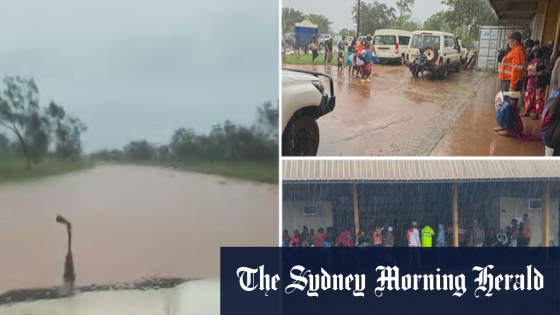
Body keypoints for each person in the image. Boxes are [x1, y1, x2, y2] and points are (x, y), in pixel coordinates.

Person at [496, 31, 527, 137]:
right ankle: (504, 125)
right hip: (507, 81)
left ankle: (509, 129)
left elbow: (516, 70)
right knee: (506, 105)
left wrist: (512, 86)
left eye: (509, 40)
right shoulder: (514, 50)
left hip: (511, 83)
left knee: (510, 106)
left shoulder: (518, 51)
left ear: (515, 41)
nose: (508, 42)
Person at [522, 46, 549, 120]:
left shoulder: (543, 60)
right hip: (530, 82)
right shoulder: (530, 60)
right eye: (534, 51)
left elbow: (548, 69)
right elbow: (527, 70)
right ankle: (527, 111)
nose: (536, 53)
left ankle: (537, 114)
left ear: (540, 52)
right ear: (532, 52)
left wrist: (539, 73)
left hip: (539, 82)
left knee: (538, 98)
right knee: (528, 97)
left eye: (538, 51)